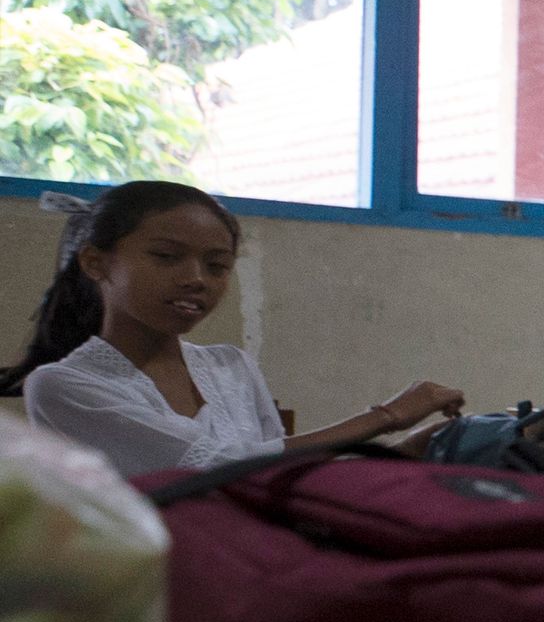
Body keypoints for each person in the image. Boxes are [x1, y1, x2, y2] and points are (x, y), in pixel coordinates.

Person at [4, 181, 459, 475]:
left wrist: (413, 448)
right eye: (166, 256)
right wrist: (387, 417)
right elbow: (221, 469)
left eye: (217, 265)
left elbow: (279, 476)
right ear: (96, 262)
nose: (196, 278)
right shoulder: (62, 385)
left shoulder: (230, 366)